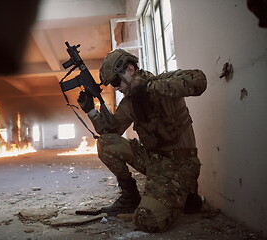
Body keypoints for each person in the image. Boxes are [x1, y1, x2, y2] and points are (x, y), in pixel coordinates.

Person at [77, 49, 207, 232]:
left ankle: (186, 192)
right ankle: (130, 197)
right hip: (153, 160)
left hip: (180, 164)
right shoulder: (130, 103)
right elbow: (110, 132)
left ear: (130, 69)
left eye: (116, 81)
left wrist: (147, 88)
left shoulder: (163, 82)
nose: (116, 87)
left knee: (147, 220)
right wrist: (91, 111)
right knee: (106, 143)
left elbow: (199, 81)